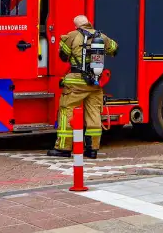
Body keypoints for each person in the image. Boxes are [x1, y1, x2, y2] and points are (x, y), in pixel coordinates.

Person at [50, 15, 118, 159]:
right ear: (89, 23)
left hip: (75, 82)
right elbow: (114, 49)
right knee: (94, 115)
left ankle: (63, 148)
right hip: (95, 83)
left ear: (76, 26)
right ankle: (92, 149)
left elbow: (63, 56)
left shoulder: (72, 36)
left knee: (67, 112)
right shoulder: (102, 37)